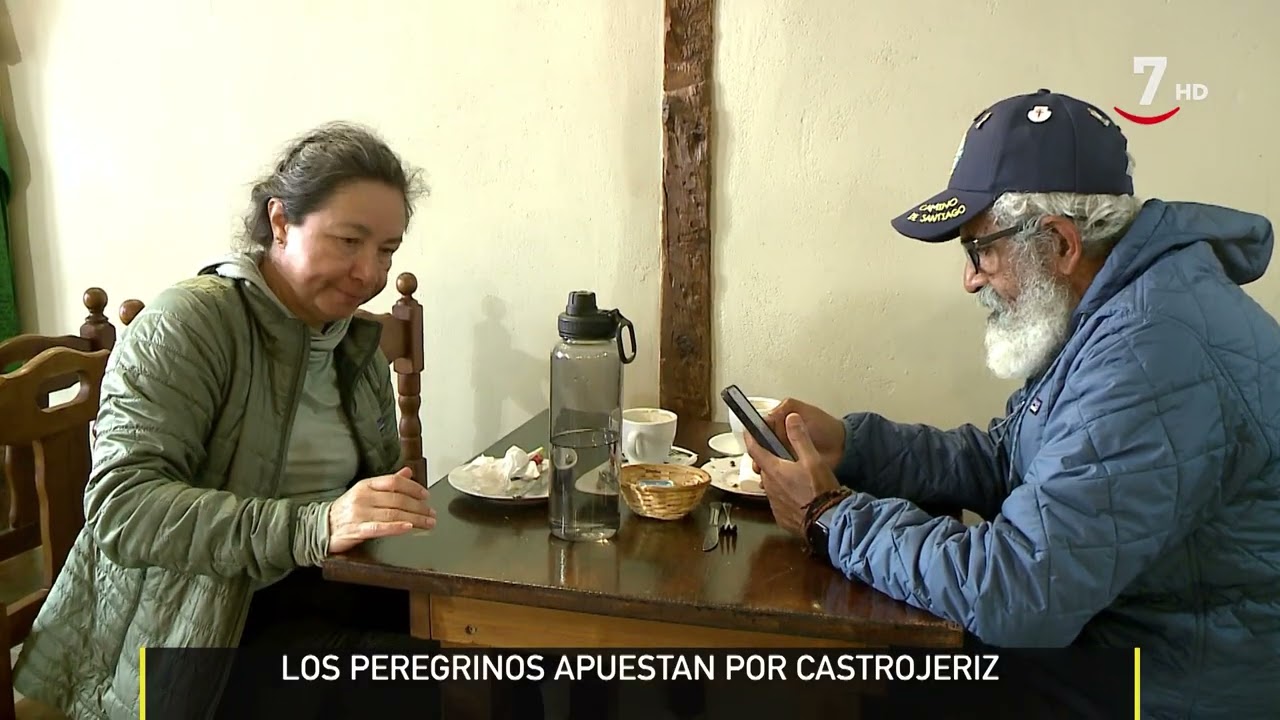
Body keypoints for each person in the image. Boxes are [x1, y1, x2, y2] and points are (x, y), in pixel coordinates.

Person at [745, 89, 1280, 717]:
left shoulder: (1152, 347)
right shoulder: (1121, 302)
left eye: (980, 249)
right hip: (1130, 631)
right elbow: (1013, 458)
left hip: (1177, 680)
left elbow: (1022, 591)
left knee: (904, 676)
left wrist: (830, 515)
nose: (970, 278)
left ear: (1058, 242)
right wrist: (858, 445)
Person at [11, 122, 452, 718]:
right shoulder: (192, 323)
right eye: (349, 241)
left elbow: (360, 499)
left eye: (387, 251)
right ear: (279, 222)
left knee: (513, 649)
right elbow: (124, 507)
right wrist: (312, 525)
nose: (368, 274)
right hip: (199, 624)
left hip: (327, 587)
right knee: (455, 687)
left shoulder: (348, 339)